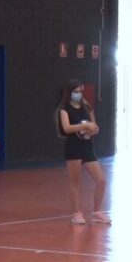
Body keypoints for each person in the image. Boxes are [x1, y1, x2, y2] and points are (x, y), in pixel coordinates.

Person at [56, 79, 110, 225]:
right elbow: (67, 128)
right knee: (75, 182)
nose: (78, 94)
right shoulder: (64, 109)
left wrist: (93, 129)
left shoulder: (86, 106)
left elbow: (95, 126)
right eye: (76, 92)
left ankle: (97, 212)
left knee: (101, 180)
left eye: (80, 91)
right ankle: (76, 214)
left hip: (87, 146)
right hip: (73, 146)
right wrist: (82, 127)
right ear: (69, 93)